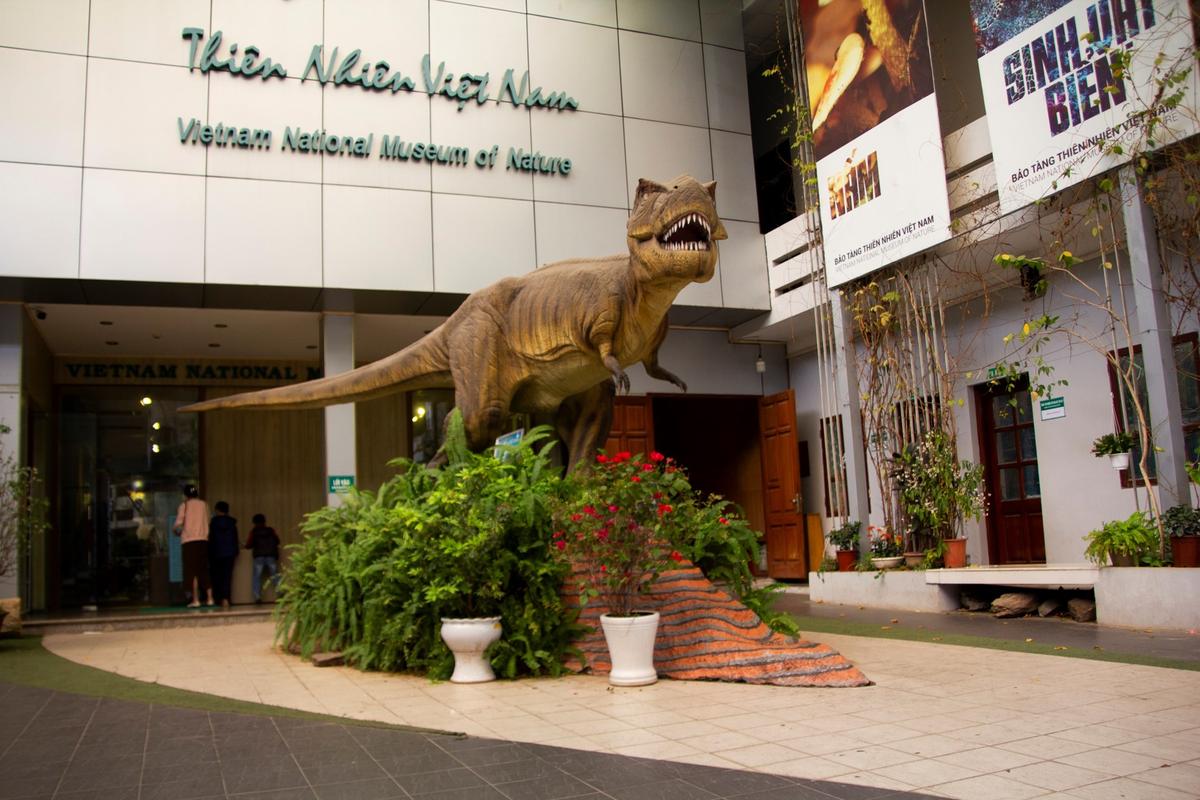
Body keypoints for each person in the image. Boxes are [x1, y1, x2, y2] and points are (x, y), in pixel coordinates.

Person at [173, 485, 213, 608]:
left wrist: (175, 531)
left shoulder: (184, 506)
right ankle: (210, 598)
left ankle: (196, 600)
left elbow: (178, 525)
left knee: (192, 571)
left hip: (189, 541)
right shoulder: (204, 505)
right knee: (204, 569)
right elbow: (209, 520)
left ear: (185, 495)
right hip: (203, 541)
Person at [208, 501, 239, 610]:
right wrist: (235, 551)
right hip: (229, 553)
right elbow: (235, 539)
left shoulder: (213, 523)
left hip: (216, 553)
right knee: (227, 576)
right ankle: (226, 598)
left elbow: (211, 539)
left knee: (217, 577)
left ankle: (218, 599)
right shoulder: (232, 523)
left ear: (217, 510)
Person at [245, 513, 281, 604]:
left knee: (257, 577)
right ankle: (280, 593)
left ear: (254, 522)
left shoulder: (253, 532)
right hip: (271, 555)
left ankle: (257, 596)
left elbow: (249, 544)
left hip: (259, 556)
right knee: (275, 575)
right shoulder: (271, 530)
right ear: (264, 521)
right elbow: (277, 541)